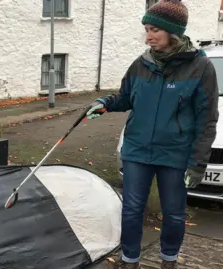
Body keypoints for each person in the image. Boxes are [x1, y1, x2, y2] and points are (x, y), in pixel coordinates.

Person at [86, 0, 219, 268]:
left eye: (155, 29)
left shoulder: (200, 68)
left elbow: (207, 120)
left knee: (174, 214)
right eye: (146, 29)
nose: (148, 36)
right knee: (132, 210)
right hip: (137, 150)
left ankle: (168, 259)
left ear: (173, 31)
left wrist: (197, 164)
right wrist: (104, 104)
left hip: (175, 153)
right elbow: (125, 97)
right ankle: (129, 259)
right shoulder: (141, 64)